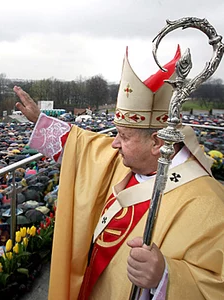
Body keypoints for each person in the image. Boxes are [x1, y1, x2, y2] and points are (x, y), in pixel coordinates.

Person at [13, 46, 224, 299]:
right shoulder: (131, 160)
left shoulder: (208, 203)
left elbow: (215, 285)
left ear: (157, 143)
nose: (114, 144)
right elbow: (83, 148)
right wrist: (41, 120)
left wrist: (166, 276)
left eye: (123, 136)